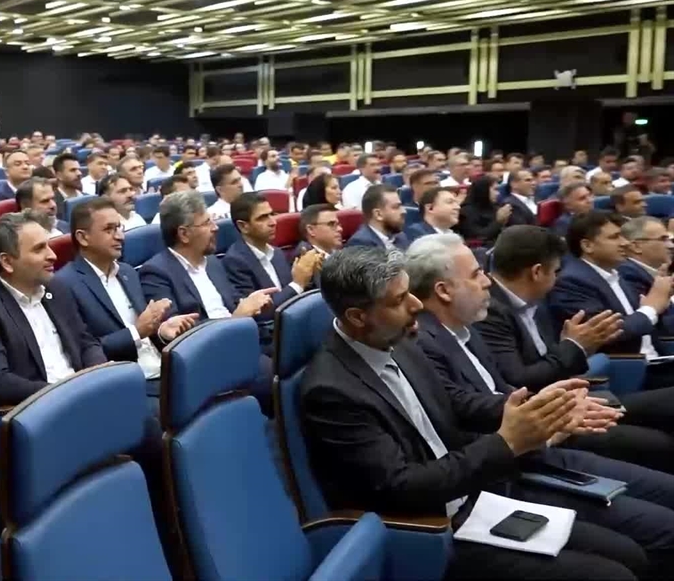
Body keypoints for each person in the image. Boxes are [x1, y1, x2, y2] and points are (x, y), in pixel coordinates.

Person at [300, 245, 651, 581]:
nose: (417, 304)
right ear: (358, 317)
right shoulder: (331, 391)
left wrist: (536, 409)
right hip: (432, 530)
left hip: (475, 495)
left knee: (630, 552)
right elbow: (403, 485)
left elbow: (454, 403)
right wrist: (507, 442)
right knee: (614, 573)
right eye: (399, 300)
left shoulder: (394, 338)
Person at [406, 234, 674, 551]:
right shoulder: (423, 342)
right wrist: (548, 414)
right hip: (508, 471)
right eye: (477, 274)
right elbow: (465, 411)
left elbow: (503, 390)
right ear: (443, 290)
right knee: (654, 532)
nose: (487, 281)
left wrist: (552, 409)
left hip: (539, 446)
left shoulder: (465, 328)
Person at [0, 210, 107, 407]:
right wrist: (66, 392)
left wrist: (99, 374)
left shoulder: (56, 287)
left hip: (83, 395)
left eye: (48, 246)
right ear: (7, 262)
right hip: (39, 408)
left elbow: (85, 341)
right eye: (39, 249)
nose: (52, 255)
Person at [55, 197, 197, 396]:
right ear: (83, 238)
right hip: (127, 384)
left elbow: (147, 332)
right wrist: (136, 332)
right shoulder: (64, 284)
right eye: (109, 229)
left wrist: (162, 331)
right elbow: (84, 352)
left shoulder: (128, 272)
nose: (120, 236)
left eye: (119, 227)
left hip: (163, 369)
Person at [549, 212, 673, 376]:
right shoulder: (572, 282)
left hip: (655, 361)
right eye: (614, 237)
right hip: (625, 372)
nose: (625, 243)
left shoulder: (616, 273)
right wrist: (651, 308)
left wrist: (659, 304)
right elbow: (607, 333)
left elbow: (644, 322)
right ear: (588, 246)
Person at [140, 190, 276, 325]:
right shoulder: (156, 273)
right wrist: (236, 318)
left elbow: (235, 302)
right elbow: (178, 331)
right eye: (206, 223)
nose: (215, 227)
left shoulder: (213, 262)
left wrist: (251, 303)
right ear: (184, 234)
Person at [223, 193, 322, 338]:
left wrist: (309, 274)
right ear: (243, 226)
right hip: (269, 337)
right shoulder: (235, 261)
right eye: (262, 218)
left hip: (296, 327)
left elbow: (292, 294)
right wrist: (298, 283)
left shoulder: (277, 252)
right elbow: (261, 315)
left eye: (272, 214)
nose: (273, 222)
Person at [348, 183, 409, 250]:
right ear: (378, 214)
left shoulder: (400, 236)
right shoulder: (360, 243)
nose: (404, 211)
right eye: (396, 207)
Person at [456, 175, 512, 247]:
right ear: (483, 190)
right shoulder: (466, 212)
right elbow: (478, 238)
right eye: (495, 189)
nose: (498, 193)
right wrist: (498, 221)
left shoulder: (494, 207)